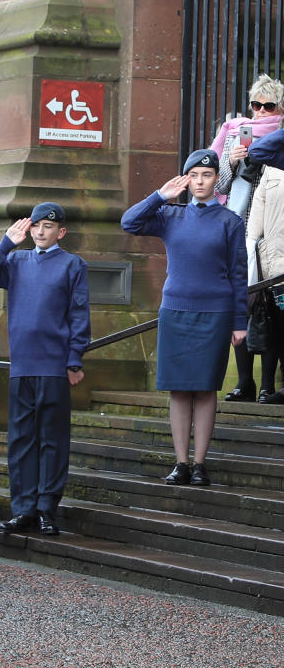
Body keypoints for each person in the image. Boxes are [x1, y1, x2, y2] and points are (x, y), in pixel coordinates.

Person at [121, 150, 247, 486]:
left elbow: (238, 275)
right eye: (195, 175)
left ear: (215, 180)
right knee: (178, 390)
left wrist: (240, 321)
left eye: (207, 175)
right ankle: (180, 462)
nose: (201, 182)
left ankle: (200, 463)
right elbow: (129, 222)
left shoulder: (230, 222)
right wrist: (159, 196)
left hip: (215, 314)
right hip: (176, 311)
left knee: (205, 390)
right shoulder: (169, 215)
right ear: (186, 180)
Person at [0, 202, 90, 536]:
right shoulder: (15, 260)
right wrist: (6, 243)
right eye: (35, 226)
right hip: (22, 364)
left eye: (48, 227)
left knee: (52, 439)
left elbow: (78, 314)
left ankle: (46, 509)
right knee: (21, 439)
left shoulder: (72, 265)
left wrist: (74, 358)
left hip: (54, 365)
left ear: (61, 232)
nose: (40, 232)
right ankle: (22, 508)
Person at [212, 74, 284, 401]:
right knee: (239, 305)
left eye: (269, 105)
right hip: (238, 228)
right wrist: (231, 160)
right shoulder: (233, 135)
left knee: (268, 306)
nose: (261, 111)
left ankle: (268, 382)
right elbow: (217, 186)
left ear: (279, 107)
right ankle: (244, 382)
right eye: (256, 104)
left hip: (271, 233)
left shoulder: (279, 140)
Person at [245, 144, 284, 403]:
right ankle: (268, 386)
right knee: (278, 327)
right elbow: (253, 230)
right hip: (276, 266)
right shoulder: (272, 169)